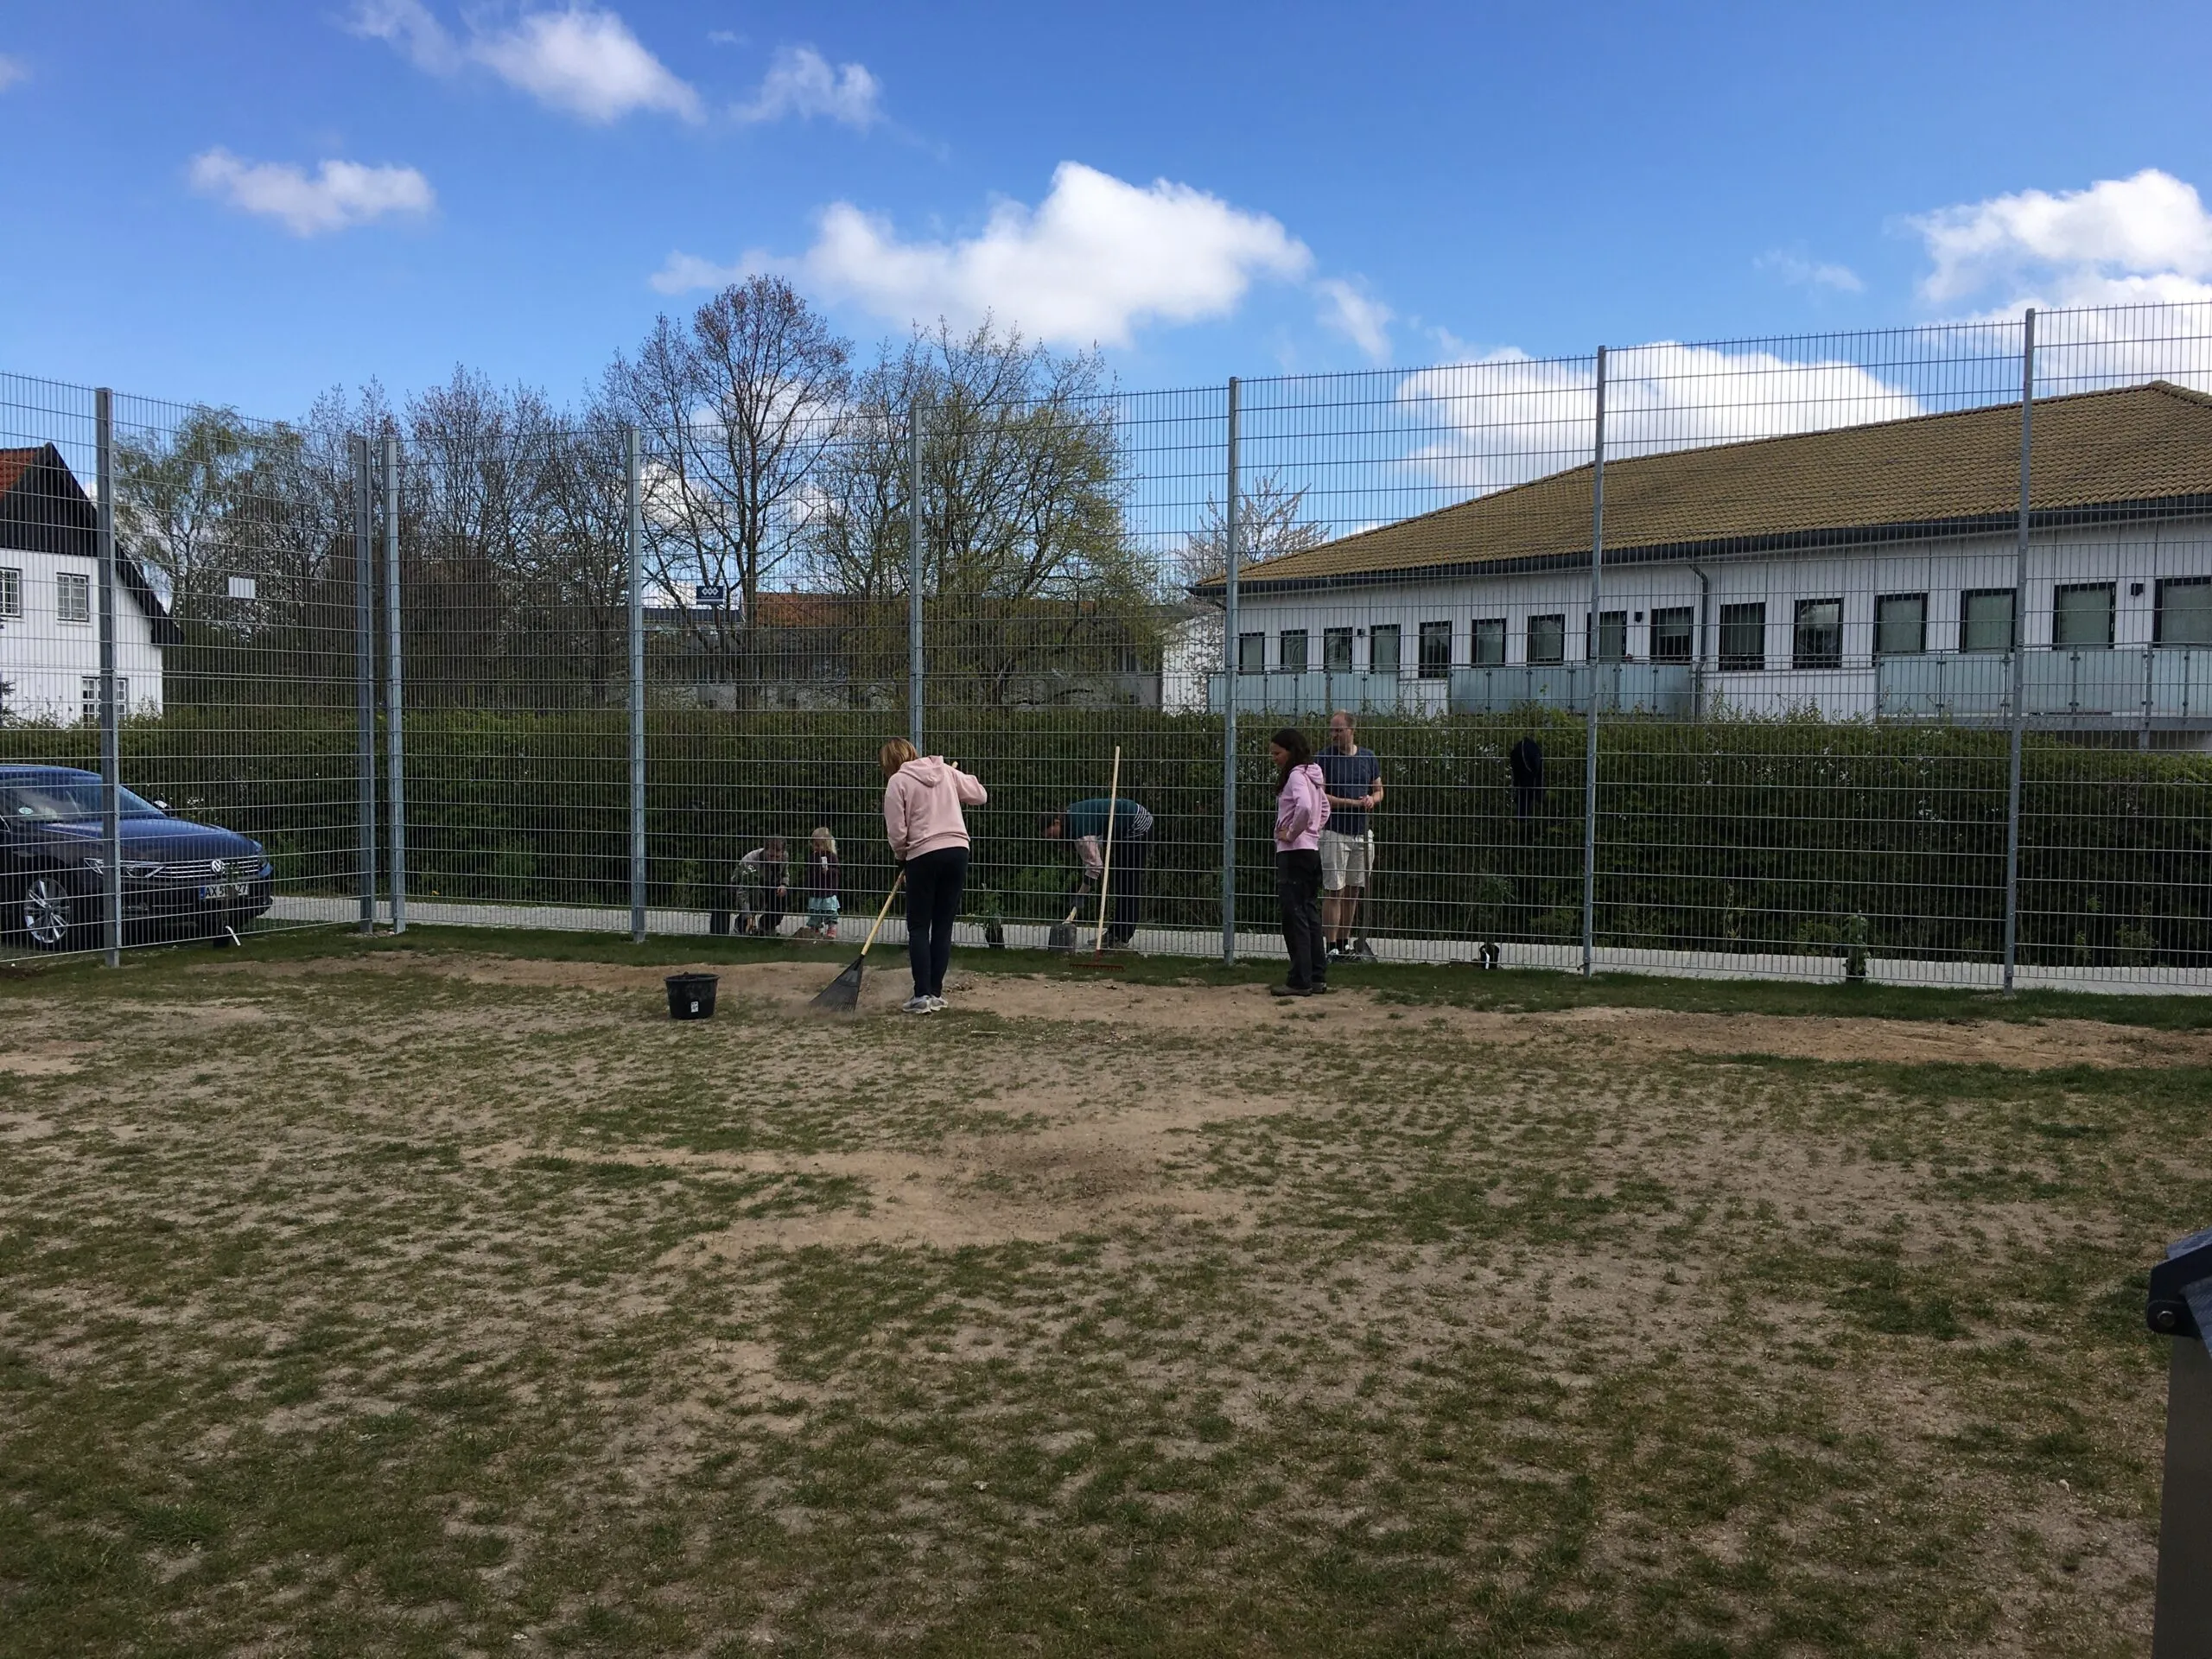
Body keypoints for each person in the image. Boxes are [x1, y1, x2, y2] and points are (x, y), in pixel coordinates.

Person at [881, 736, 988, 1015]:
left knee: (919, 926)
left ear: (889, 764)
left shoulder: (897, 782)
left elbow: (897, 832)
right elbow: (980, 794)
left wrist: (901, 857)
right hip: (957, 851)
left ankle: (921, 996)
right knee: (942, 924)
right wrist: (957, 781)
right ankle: (936, 993)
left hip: (923, 854)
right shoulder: (944, 771)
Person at [1039, 795, 1154, 948]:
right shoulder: (1070, 818)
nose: (1051, 839)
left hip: (1137, 825)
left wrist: (1081, 894)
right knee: (1121, 881)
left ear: (1057, 822)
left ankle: (1122, 937)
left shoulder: (1079, 830)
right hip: (1126, 824)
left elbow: (1095, 867)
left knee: (1128, 883)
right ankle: (1115, 932)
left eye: (1050, 834)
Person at [1315, 710, 1383, 963]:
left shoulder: (1368, 757)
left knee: (1354, 890)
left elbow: (1379, 791)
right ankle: (1330, 945)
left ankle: (1344, 943)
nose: (1333, 735)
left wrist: (1370, 800)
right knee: (1335, 889)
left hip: (1361, 833)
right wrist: (1351, 803)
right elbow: (1322, 796)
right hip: (1334, 831)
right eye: (1331, 730)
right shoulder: (1324, 758)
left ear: (1351, 730)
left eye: (1338, 730)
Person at [1268, 725, 1331, 997]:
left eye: (1277, 752)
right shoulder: (1314, 774)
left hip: (1293, 853)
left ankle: (1299, 980)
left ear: (1291, 752)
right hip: (1311, 852)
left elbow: (1304, 806)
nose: (1274, 757)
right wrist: (1313, 829)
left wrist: (1292, 833)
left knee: (1294, 917)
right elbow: (1323, 807)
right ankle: (1317, 976)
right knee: (1310, 913)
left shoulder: (1295, 776)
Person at [732, 836, 788, 937]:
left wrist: (783, 885)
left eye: (777, 857)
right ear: (765, 850)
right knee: (755, 895)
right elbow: (742, 891)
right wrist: (748, 916)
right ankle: (742, 924)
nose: (774, 860)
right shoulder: (751, 861)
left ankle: (767, 926)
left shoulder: (784, 857)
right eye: (771, 856)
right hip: (746, 886)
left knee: (783, 896)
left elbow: (785, 874)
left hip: (769, 884)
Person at [798, 828, 839, 940]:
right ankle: (814, 929)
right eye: (814, 844)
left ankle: (832, 928)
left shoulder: (832, 857)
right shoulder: (812, 857)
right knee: (815, 912)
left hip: (828, 890)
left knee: (830, 911)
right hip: (816, 890)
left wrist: (828, 871)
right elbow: (809, 871)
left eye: (819, 845)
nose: (816, 847)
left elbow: (837, 871)